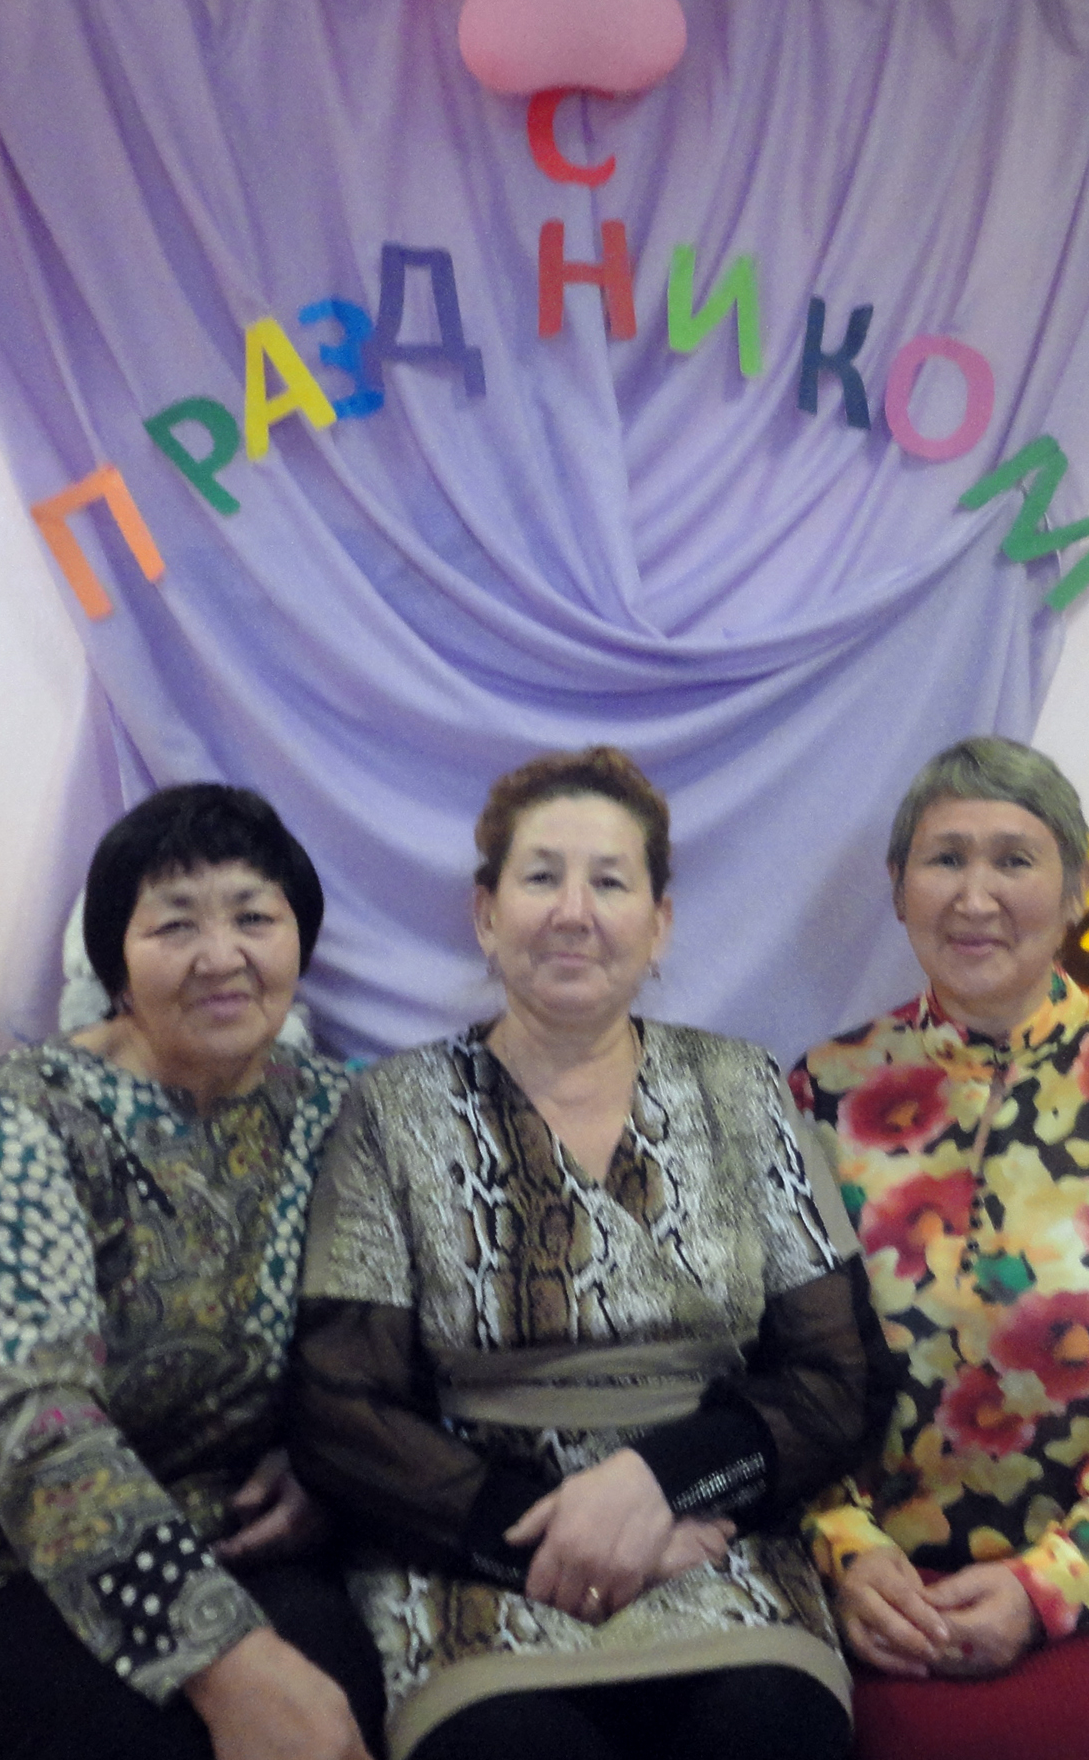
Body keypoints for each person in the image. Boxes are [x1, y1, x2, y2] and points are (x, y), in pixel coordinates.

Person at [292, 747, 888, 1760]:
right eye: (541, 878)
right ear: (487, 915)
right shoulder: (392, 1110)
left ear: (660, 924)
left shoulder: (742, 1090)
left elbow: (842, 1376)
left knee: (770, 1732)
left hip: (714, 1546)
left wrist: (662, 1486)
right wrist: (548, 1535)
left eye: (610, 882)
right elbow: (342, 1409)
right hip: (473, 1563)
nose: (574, 912)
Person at [0, 785, 384, 1760]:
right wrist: (223, 1659)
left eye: (253, 918)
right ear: (116, 967)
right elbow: (31, 1416)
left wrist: (323, 1458)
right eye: (175, 925)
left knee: (348, 1703)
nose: (220, 956)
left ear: (299, 942)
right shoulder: (28, 1117)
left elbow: (378, 1338)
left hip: (228, 1533)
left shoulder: (332, 1110)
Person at [789, 737, 1089, 1760]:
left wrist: (1051, 1586)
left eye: (1014, 859)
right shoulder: (825, 1090)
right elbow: (785, 1371)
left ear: (1077, 890)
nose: (976, 896)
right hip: (882, 1590)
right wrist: (847, 1553)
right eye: (945, 858)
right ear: (898, 888)